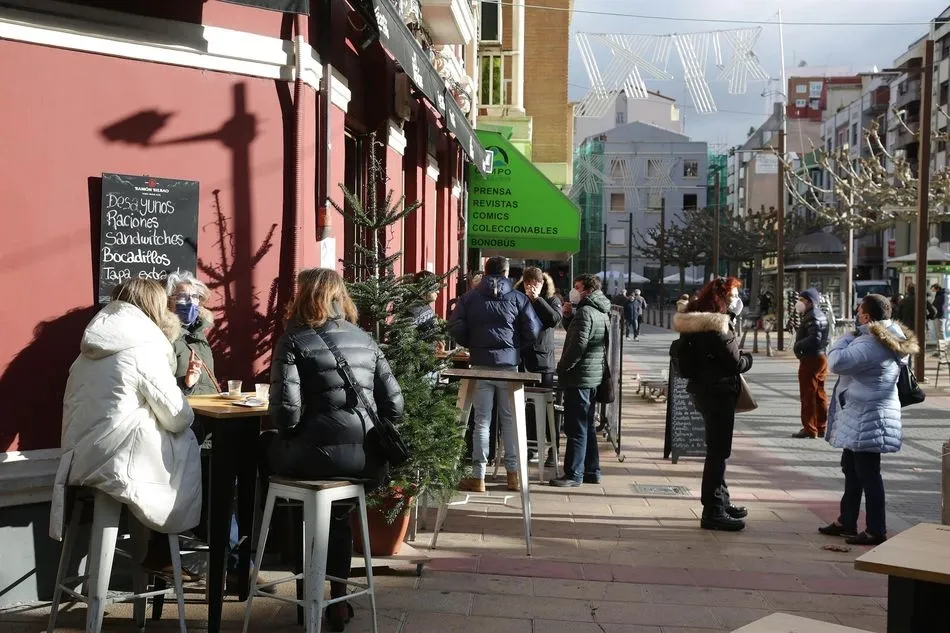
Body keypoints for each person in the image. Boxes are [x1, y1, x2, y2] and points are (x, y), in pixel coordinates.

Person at [264, 268, 403, 629]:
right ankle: (338, 602)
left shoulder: (293, 340)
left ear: (304, 297)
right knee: (337, 515)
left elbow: (286, 414)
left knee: (270, 458)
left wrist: (291, 432)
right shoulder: (365, 339)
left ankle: (284, 582)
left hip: (315, 460)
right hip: (366, 462)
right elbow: (395, 405)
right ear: (341, 297)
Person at [52, 279, 200, 576]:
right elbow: (179, 417)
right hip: (117, 464)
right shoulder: (143, 348)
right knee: (187, 438)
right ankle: (173, 547)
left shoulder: (87, 352)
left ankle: (157, 554)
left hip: (79, 461)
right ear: (155, 308)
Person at [819, 294, 917, 546]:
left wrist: (845, 338)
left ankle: (876, 529)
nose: (856, 314)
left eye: (859, 311)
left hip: (867, 415)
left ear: (866, 316)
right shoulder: (888, 337)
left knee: (868, 474)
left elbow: (837, 362)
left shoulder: (871, 343)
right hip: (866, 413)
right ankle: (847, 520)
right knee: (852, 469)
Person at [449, 257, 541, 493]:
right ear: (506, 273)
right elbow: (533, 329)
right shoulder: (518, 298)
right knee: (510, 420)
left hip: (480, 364)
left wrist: (472, 343)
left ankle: (478, 476)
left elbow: (455, 325)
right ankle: (513, 475)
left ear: (486, 271)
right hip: (509, 366)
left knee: (482, 421)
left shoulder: (470, 298)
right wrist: (515, 347)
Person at [670, 278, 753, 531]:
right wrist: (748, 359)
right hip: (719, 392)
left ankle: (721, 500)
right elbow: (734, 362)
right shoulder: (718, 325)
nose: (737, 299)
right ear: (722, 298)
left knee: (716, 449)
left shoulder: (695, 321)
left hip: (703, 390)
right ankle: (713, 510)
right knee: (718, 452)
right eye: (733, 295)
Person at [550, 273, 611, 487]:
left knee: (576, 427)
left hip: (579, 377)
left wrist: (562, 368)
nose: (573, 291)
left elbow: (577, 346)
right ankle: (592, 470)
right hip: (592, 376)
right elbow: (583, 335)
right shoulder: (601, 310)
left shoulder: (586, 312)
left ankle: (573, 474)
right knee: (587, 425)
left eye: (577, 287)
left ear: (587, 290)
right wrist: (568, 317)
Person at [516, 267, 562, 465]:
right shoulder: (518, 297)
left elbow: (554, 319)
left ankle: (553, 449)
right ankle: (531, 447)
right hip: (522, 359)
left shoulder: (552, 300)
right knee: (527, 407)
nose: (532, 287)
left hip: (543, 362)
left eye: (536, 283)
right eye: (528, 283)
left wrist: (537, 300)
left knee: (547, 407)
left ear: (543, 283)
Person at [166, 271, 218, 396]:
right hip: (186, 407)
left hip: (211, 406)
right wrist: (185, 384)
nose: (191, 302)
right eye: (183, 297)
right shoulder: (165, 337)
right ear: (168, 301)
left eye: (195, 296)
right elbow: (157, 385)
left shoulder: (199, 334)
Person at [793, 288, 830, 439]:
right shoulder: (819, 314)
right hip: (821, 356)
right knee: (819, 393)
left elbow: (815, 338)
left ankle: (810, 428)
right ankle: (821, 426)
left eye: (802, 300)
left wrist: (798, 345)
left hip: (811, 358)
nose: (799, 303)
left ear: (809, 302)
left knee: (808, 394)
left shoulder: (812, 316)